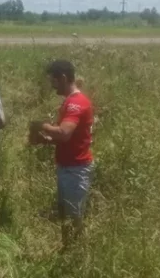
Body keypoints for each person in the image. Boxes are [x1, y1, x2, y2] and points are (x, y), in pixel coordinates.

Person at [29, 59, 94, 245]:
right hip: (68, 168)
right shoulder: (70, 102)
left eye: (54, 81)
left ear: (64, 78)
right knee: (66, 215)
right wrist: (44, 139)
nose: (52, 85)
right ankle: (68, 251)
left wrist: (42, 125)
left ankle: (76, 256)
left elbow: (64, 133)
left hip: (76, 170)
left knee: (74, 217)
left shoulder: (76, 104)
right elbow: (69, 138)